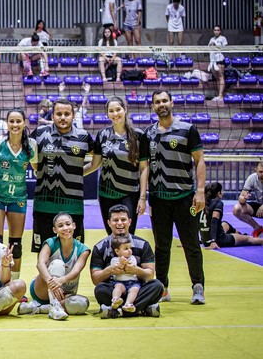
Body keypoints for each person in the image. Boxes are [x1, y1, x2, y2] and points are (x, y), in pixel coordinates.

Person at [140, 89, 206, 304]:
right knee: (161, 246)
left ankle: (198, 287)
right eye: (157, 101)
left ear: (172, 103)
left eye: (164, 101)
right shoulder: (148, 133)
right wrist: (143, 197)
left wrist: (201, 191)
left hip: (185, 196)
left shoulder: (188, 130)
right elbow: (144, 167)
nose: (161, 104)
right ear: (153, 106)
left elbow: (200, 161)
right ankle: (162, 288)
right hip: (158, 198)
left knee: (191, 244)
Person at [31, 99, 93, 253]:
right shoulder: (39, 133)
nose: (63, 117)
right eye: (59, 114)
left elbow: (97, 159)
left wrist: (80, 172)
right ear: (52, 115)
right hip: (44, 203)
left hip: (73, 205)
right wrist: (40, 169)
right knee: (44, 252)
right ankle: (46, 278)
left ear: (73, 116)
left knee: (73, 252)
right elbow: (32, 158)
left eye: (67, 114)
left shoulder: (84, 137)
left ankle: (69, 278)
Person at [0, 109, 37, 280]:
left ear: (24, 123)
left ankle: (14, 283)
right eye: (12, 121)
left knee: (16, 244)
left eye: (18, 121)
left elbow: (38, 168)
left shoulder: (31, 145)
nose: (15, 125)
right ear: (6, 123)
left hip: (18, 197)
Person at [90, 205, 164, 318]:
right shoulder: (100, 247)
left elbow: (150, 275)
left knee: (157, 286)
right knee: (100, 290)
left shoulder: (143, 244)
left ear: (129, 222)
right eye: (115, 220)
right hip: (115, 290)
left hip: (137, 289)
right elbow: (95, 279)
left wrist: (136, 270)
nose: (120, 223)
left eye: (123, 220)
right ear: (109, 223)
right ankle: (141, 308)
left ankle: (116, 311)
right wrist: (110, 270)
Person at [87, 97, 146, 235]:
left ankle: (128, 258)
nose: (115, 114)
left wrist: (142, 198)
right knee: (112, 236)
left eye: (118, 109)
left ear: (125, 110)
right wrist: (75, 173)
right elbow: (95, 164)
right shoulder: (103, 134)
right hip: (106, 194)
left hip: (129, 193)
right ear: (107, 114)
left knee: (127, 236)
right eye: (111, 111)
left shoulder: (139, 135)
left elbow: (144, 168)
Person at [18, 212, 91, 320]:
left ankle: (37, 308)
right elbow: (40, 264)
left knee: (82, 304)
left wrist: (61, 281)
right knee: (58, 264)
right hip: (42, 289)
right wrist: (51, 282)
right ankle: (54, 307)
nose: (65, 228)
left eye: (68, 224)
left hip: (66, 292)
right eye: (60, 226)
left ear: (74, 226)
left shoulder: (83, 249)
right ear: (55, 230)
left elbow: (76, 271)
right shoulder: (50, 243)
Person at [202, 182, 263, 247]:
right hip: (219, 239)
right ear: (219, 193)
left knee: (225, 224)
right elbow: (214, 221)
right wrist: (213, 241)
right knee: (249, 239)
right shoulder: (218, 203)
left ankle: (238, 234)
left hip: (205, 240)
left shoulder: (203, 203)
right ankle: (254, 239)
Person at [108, 235, 140, 312]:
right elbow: (116, 269)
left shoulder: (132, 258)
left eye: (130, 248)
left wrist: (125, 263)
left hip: (133, 282)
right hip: (119, 281)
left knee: (135, 290)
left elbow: (132, 267)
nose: (129, 250)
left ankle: (128, 304)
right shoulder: (114, 260)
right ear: (117, 251)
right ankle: (115, 299)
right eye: (126, 249)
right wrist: (121, 264)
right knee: (118, 287)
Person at [233, 162, 263, 237]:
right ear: (255, 170)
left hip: (262, 207)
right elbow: (241, 199)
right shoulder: (252, 178)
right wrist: (244, 198)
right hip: (259, 205)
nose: (262, 174)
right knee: (237, 209)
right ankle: (257, 228)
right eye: (260, 172)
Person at [207, 25, 228, 101]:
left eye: (218, 30)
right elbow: (208, 48)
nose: (216, 31)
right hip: (213, 60)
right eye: (215, 30)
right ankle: (219, 95)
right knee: (217, 78)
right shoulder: (211, 39)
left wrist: (217, 46)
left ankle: (221, 95)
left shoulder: (223, 38)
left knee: (221, 76)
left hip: (220, 59)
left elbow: (226, 48)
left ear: (220, 31)